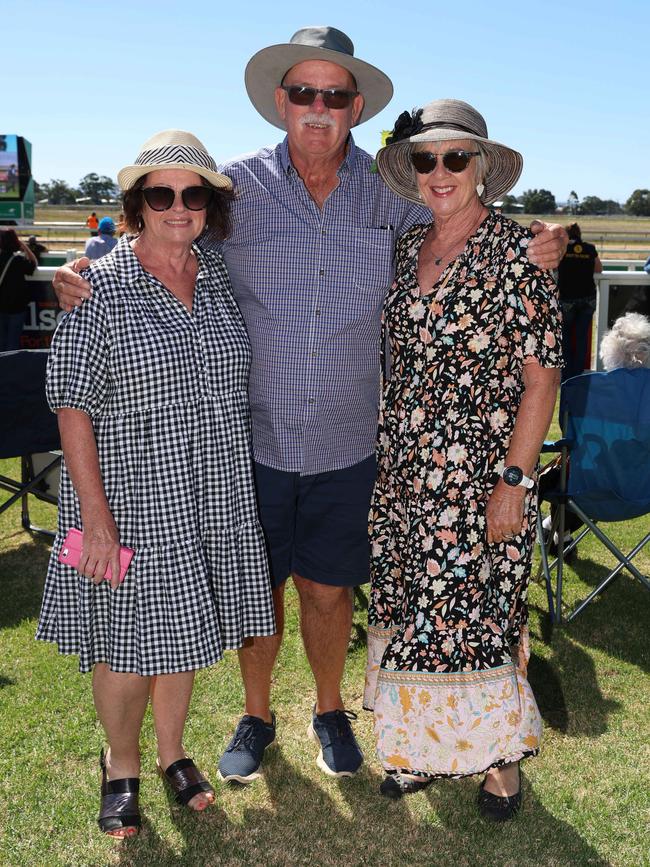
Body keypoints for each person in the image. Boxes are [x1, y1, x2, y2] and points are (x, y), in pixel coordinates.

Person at [51, 26, 567, 786]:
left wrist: (538, 240)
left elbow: (460, 226)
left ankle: (330, 708)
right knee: (256, 588)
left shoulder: (391, 192)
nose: (318, 107)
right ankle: (255, 712)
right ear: (279, 103)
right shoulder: (234, 188)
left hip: (351, 441)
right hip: (250, 443)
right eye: (303, 93)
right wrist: (86, 262)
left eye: (333, 95)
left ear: (355, 107)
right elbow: (165, 232)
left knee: (329, 589)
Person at [36, 130, 276, 837]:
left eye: (192, 193)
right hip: (126, 497)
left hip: (211, 488)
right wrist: (97, 518)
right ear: (137, 203)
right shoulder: (100, 286)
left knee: (184, 629)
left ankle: (174, 755)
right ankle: (121, 765)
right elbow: (71, 404)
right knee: (123, 640)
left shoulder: (219, 274)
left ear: (209, 205)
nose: (179, 206)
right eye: (161, 193)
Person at [364, 99, 562, 820]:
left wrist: (513, 480)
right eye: (425, 158)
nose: (440, 171)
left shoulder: (519, 251)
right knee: (414, 605)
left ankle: (500, 761)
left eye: (455, 157)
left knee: (481, 610)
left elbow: (543, 376)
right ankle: (419, 746)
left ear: (482, 167)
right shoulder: (404, 245)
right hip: (405, 469)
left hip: (482, 474)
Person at [557, 222, 602, 381]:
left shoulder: (562, 250)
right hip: (587, 300)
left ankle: (566, 375)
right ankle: (578, 375)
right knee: (582, 339)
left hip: (567, 300)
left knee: (566, 339)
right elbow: (599, 270)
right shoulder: (590, 248)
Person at [0, 228, 37, 351]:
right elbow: (33, 263)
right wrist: (25, 247)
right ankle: (10, 367)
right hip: (17, 307)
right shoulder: (18, 261)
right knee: (12, 343)